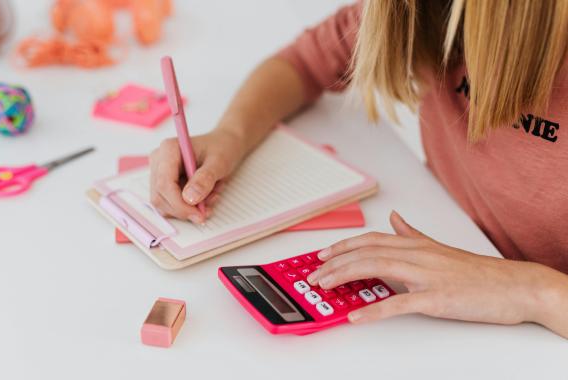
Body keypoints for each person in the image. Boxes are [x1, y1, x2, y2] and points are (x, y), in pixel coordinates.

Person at [149, 0, 568, 338]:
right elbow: (304, 61)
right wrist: (230, 135)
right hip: (450, 246)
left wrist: (528, 290)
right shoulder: (430, 12)